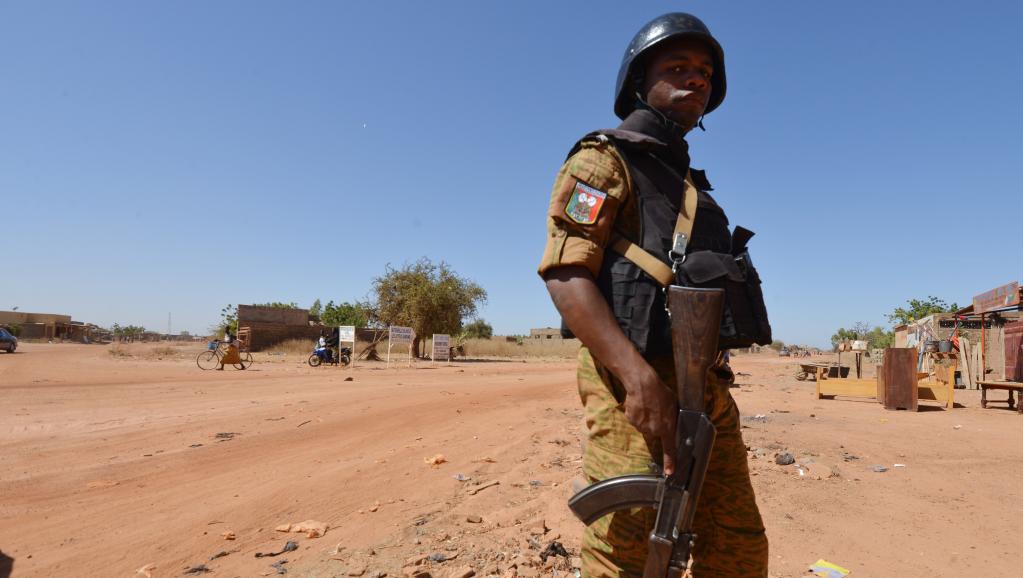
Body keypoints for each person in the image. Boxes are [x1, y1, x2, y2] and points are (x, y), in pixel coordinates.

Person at [538, 13, 768, 577]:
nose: (698, 80)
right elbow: (567, 276)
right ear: (639, 82)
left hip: (707, 390)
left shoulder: (693, 187)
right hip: (633, 390)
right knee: (626, 547)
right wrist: (639, 382)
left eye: (706, 72)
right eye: (679, 68)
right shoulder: (602, 160)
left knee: (738, 542)